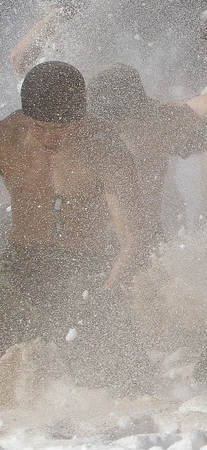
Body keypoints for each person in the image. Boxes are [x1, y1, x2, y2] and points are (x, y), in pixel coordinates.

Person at [0, 61, 148, 359]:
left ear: (80, 119)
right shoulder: (7, 139)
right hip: (20, 263)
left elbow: (134, 244)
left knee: (112, 371)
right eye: (38, 127)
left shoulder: (107, 149)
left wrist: (106, 296)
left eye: (60, 128)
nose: (48, 138)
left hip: (85, 268)